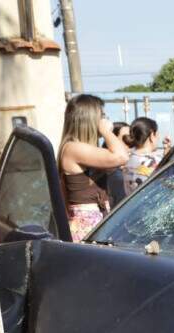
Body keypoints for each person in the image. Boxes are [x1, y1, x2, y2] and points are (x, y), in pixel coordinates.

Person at [58, 94, 130, 241]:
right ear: (90, 119)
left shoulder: (78, 148)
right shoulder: (73, 148)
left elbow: (123, 154)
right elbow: (121, 156)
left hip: (94, 223)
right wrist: (106, 131)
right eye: (102, 115)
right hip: (86, 227)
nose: (105, 120)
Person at [120, 117, 166, 197]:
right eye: (157, 135)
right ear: (152, 135)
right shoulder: (154, 161)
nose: (158, 138)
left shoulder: (129, 159)